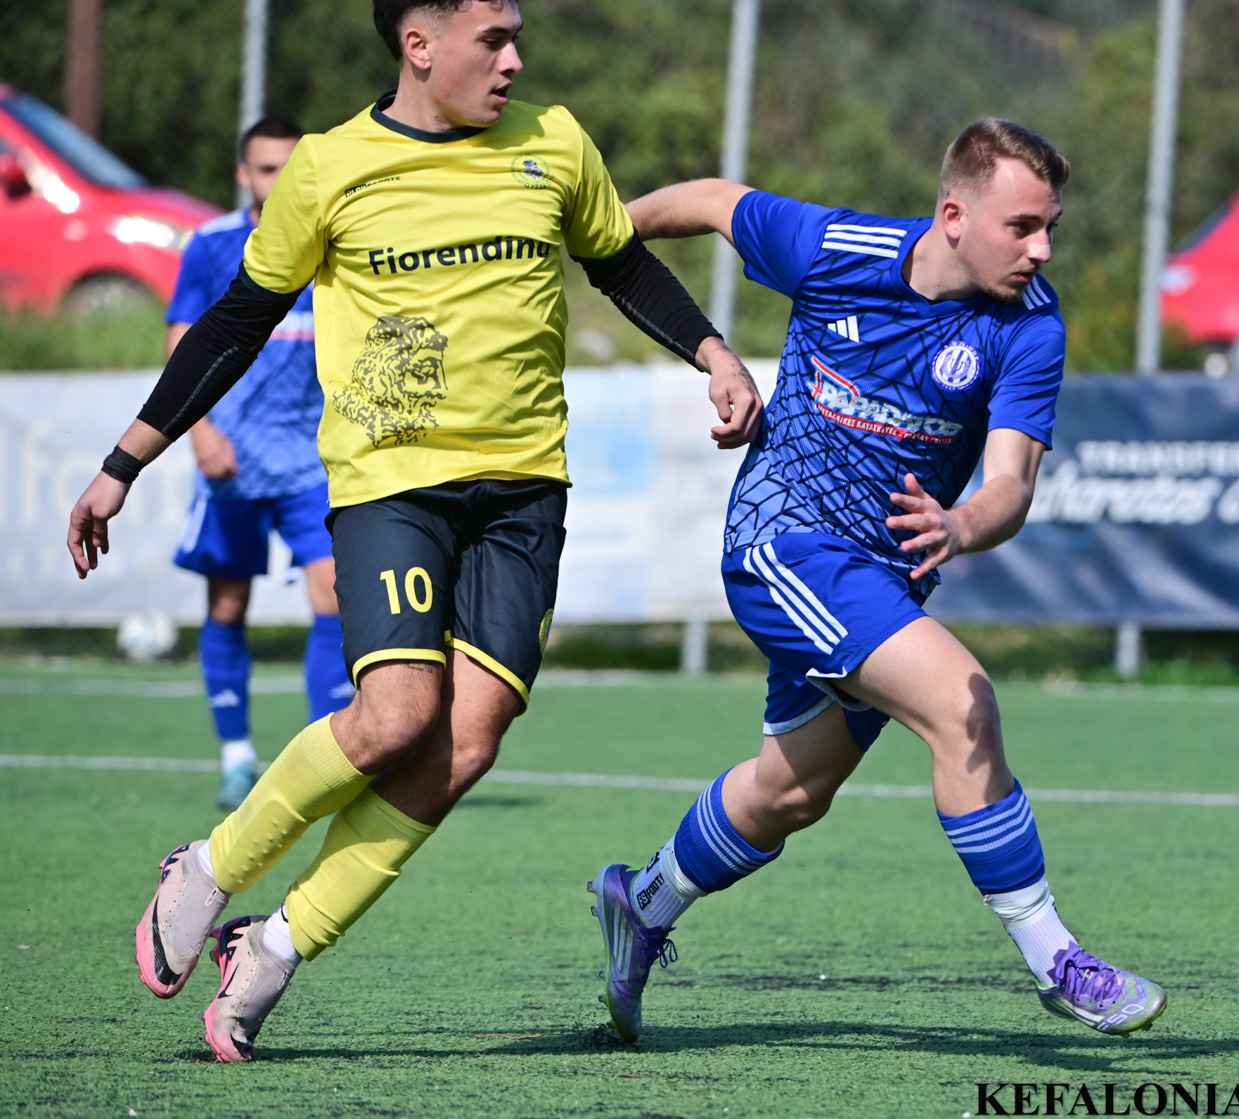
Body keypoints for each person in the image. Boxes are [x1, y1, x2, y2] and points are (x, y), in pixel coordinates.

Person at [66, 0, 761, 1063]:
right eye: (494, 39)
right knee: (397, 715)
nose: (515, 59)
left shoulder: (556, 142)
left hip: (525, 491)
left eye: (517, 35)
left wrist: (712, 352)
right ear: (418, 45)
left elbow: (620, 264)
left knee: (467, 744)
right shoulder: (329, 167)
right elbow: (238, 321)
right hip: (391, 485)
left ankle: (276, 946)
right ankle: (209, 868)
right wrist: (126, 461)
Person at [587, 119, 1168, 1043]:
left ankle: (643, 899)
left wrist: (960, 524)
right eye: (1022, 226)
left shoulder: (1031, 325)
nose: (1042, 250)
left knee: (790, 792)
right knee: (962, 703)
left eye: (1050, 227)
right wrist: (603, 226)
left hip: (882, 583)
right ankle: (1058, 960)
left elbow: (1011, 485)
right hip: (783, 546)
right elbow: (713, 201)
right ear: (953, 217)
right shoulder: (837, 249)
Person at [168, 116, 352, 810]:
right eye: (266, 169)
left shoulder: (333, 234)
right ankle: (237, 757)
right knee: (228, 602)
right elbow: (184, 341)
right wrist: (199, 431)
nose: (278, 181)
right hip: (233, 458)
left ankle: (324, 760)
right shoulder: (212, 244)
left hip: (312, 459)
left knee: (335, 596)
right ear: (243, 175)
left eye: (289, 168)